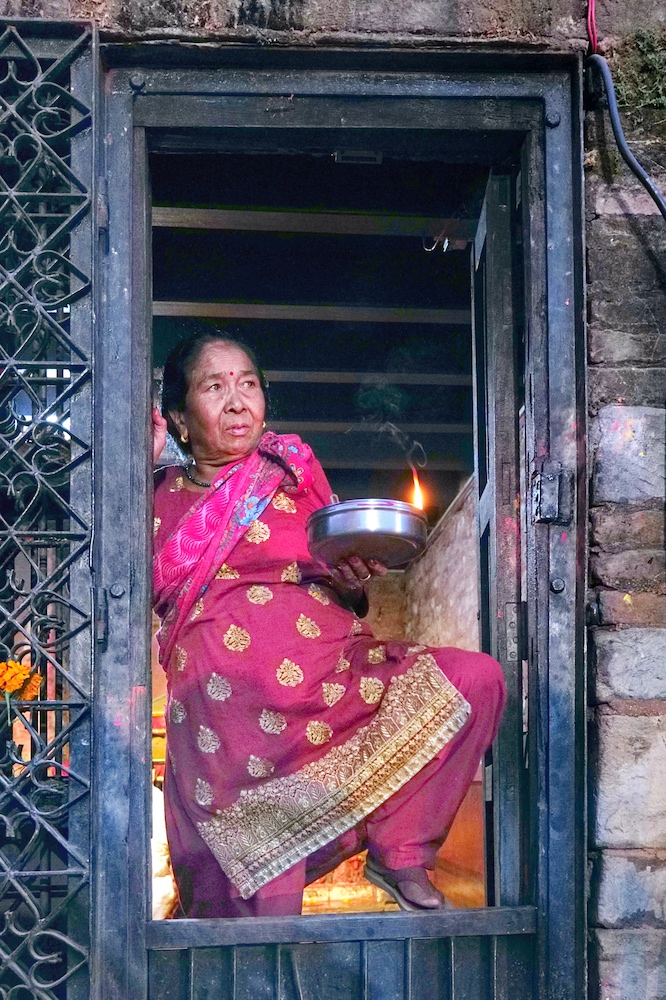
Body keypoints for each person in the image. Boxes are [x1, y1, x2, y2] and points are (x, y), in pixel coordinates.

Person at [152, 331, 506, 918]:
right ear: (181, 420)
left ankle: (401, 852)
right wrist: (134, 460)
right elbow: (82, 555)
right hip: (229, 740)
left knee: (475, 680)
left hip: (331, 691)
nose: (238, 401)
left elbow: (337, 568)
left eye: (249, 384)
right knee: (254, 927)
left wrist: (353, 573)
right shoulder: (154, 498)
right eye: (214, 387)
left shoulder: (292, 469)